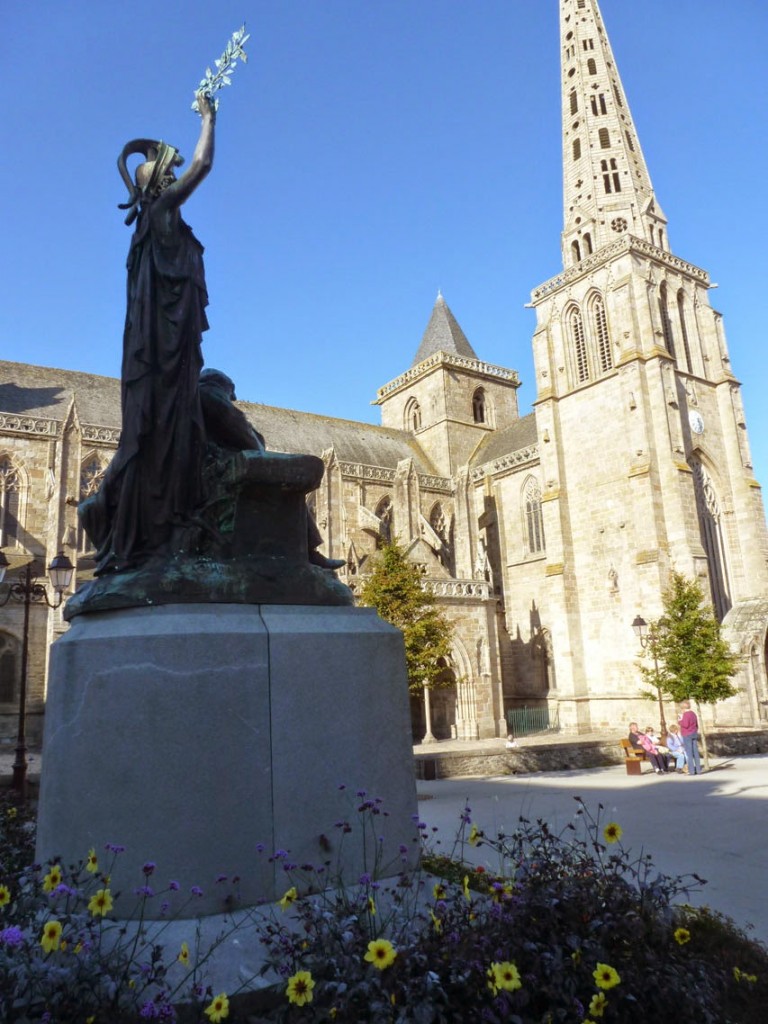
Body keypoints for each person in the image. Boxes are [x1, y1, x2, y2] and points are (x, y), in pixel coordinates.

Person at [83, 91, 216, 574]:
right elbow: (201, 166)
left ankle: (157, 528)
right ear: (161, 183)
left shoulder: (145, 229)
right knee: (168, 432)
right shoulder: (160, 214)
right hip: (166, 351)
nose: (177, 176)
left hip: (166, 348)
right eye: (169, 171)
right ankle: (153, 527)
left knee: (171, 432)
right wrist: (208, 119)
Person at [679, 700, 702, 775]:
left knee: (689, 753)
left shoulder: (686, 714)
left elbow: (685, 725)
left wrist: (680, 721)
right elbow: (696, 725)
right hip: (694, 733)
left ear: (683, 708)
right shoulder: (693, 714)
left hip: (687, 734)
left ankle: (691, 771)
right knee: (695, 752)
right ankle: (698, 770)